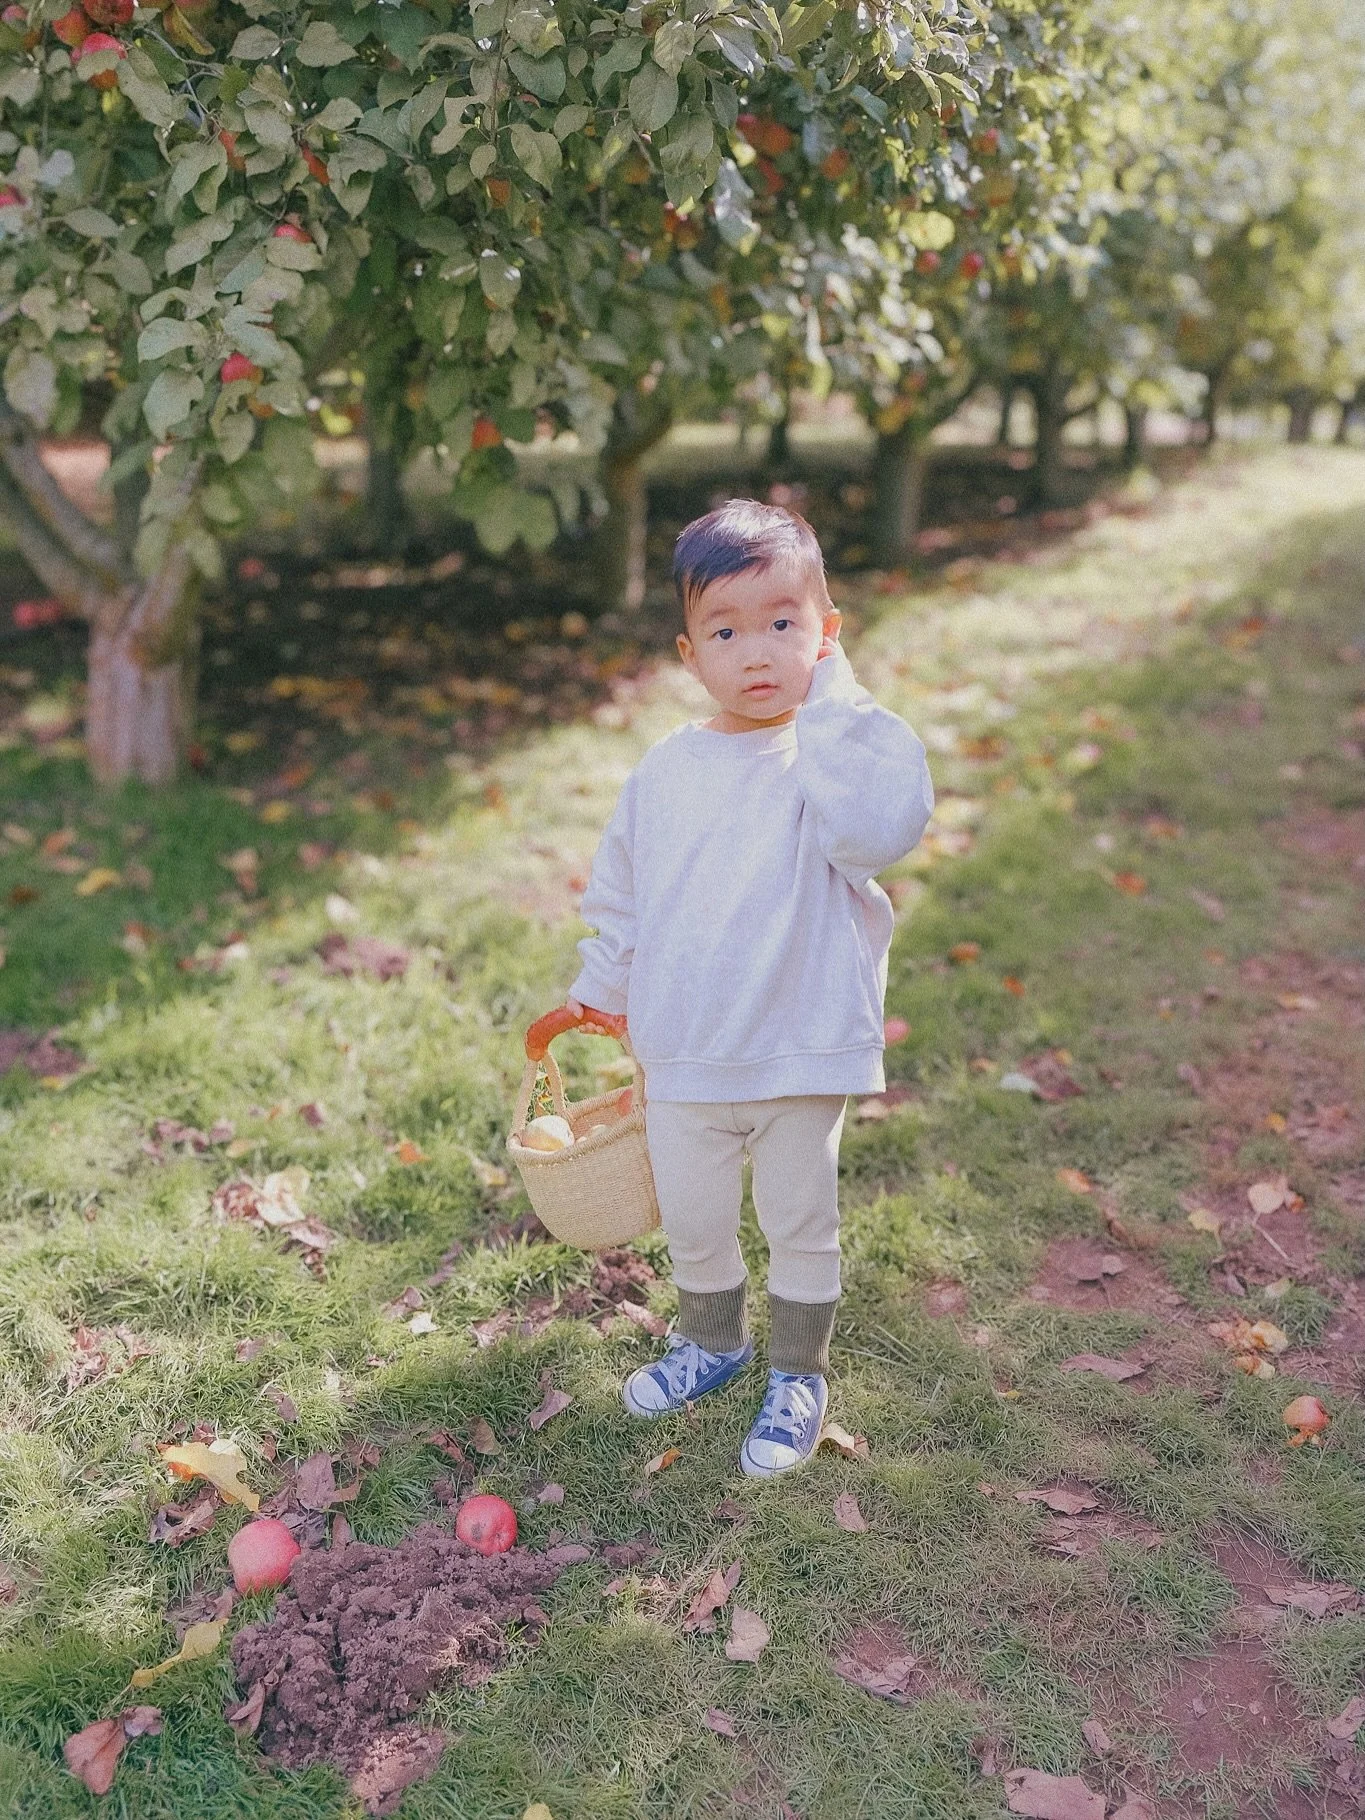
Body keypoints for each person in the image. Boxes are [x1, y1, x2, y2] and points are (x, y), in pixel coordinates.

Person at [565, 498, 934, 1478]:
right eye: (727, 630)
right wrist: (602, 985)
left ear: (826, 632)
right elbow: (623, 892)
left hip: (798, 1045)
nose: (758, 651)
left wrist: (838, 705)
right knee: (693, 1216)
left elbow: (885, 826)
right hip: (686, 1049)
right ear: (690, 653)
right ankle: (715, 1341)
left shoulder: (834, 763)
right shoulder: (667, 770)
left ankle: (798, 1367)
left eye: (784, 622)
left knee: (800, 1219)